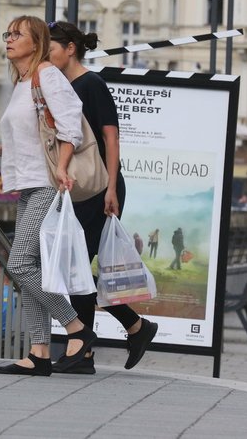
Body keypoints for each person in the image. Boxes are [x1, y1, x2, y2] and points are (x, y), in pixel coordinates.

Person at [0, 15, 97, 377]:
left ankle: (77, 330)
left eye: (17, 34)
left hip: (46, 183)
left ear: (36, 41)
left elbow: (71, 124)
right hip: (27, 183)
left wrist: (62, 166)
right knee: (31, 271)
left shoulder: (47, 75)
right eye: (7, 33)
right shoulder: (22, 82)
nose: (8, 39)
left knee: (20, 264)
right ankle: (39, 352)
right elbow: (27, 137)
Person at [46, 20, 158, 373]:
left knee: (74, 266)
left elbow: (111, 137)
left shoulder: (90, 83)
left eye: (49, 49)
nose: (45, 57)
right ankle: (130, 329)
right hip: (82, 187)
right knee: (73, 267)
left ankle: (87, 350)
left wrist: (111, 186)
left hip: (100, 188)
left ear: (70, 48)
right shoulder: (62, 85)